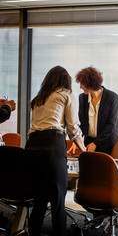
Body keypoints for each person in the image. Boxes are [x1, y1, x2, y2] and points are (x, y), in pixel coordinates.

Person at [25, 65, 86, 236]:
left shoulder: (39, 98)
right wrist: (84, 151)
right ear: (66, 80)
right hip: (52, 145)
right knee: (58, 199)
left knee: (39, 200)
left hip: (32, 146)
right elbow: (73, 128)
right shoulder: (67, 95)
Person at [68, 66, 118, 155]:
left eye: (82, 83)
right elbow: (81, 122)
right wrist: (77, 141)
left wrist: (96, 143)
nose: (80, 87)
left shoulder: (112, 97)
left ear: (91, 84)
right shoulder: (82, 98)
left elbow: (111, 124)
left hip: (108, 142)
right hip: (89, 142)